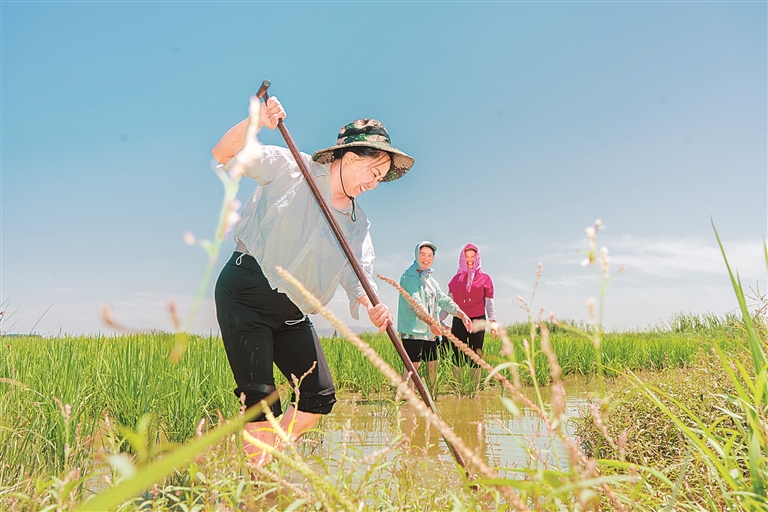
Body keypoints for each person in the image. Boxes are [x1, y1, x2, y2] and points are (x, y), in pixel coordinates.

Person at [212, 95, 413, 465]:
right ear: (350, 157)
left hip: (293, 310)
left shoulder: (357, 222)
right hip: (247, 290)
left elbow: (357, 275)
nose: (375, 183)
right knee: (261, 403)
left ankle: (262, 458)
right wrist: (256, 122)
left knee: (319, 398)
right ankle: (257, 486)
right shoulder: (291, 166)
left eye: (381, 179)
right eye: (374, 173)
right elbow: (224, 152)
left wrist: (372, 305)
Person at [397, 241, 472, 388]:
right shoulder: (408, 278)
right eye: (423, 254)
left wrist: (461, 314)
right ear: (416, 255)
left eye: (430, 255)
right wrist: (431, 322)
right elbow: (416, 304)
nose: (427, 258)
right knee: (413, 368)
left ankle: (430, 399)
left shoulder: (430, 280)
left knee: (432, 365)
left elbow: (443, 299)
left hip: (430, 333)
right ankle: (405, 401)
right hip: (414, 331)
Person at [446, 243, 498, 386]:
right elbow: (447, 304)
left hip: (478, 320)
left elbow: (489, 303)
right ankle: (459, 387)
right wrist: (438, 320)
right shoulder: (455, 280)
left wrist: (493, 322)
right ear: (462, 259)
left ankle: (473, 388)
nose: (470, 260)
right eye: (466, 257)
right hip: (459, 320)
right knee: (457, 353)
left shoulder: (485, 279)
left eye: (473, 257)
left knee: (476, 354)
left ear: (477, 258)